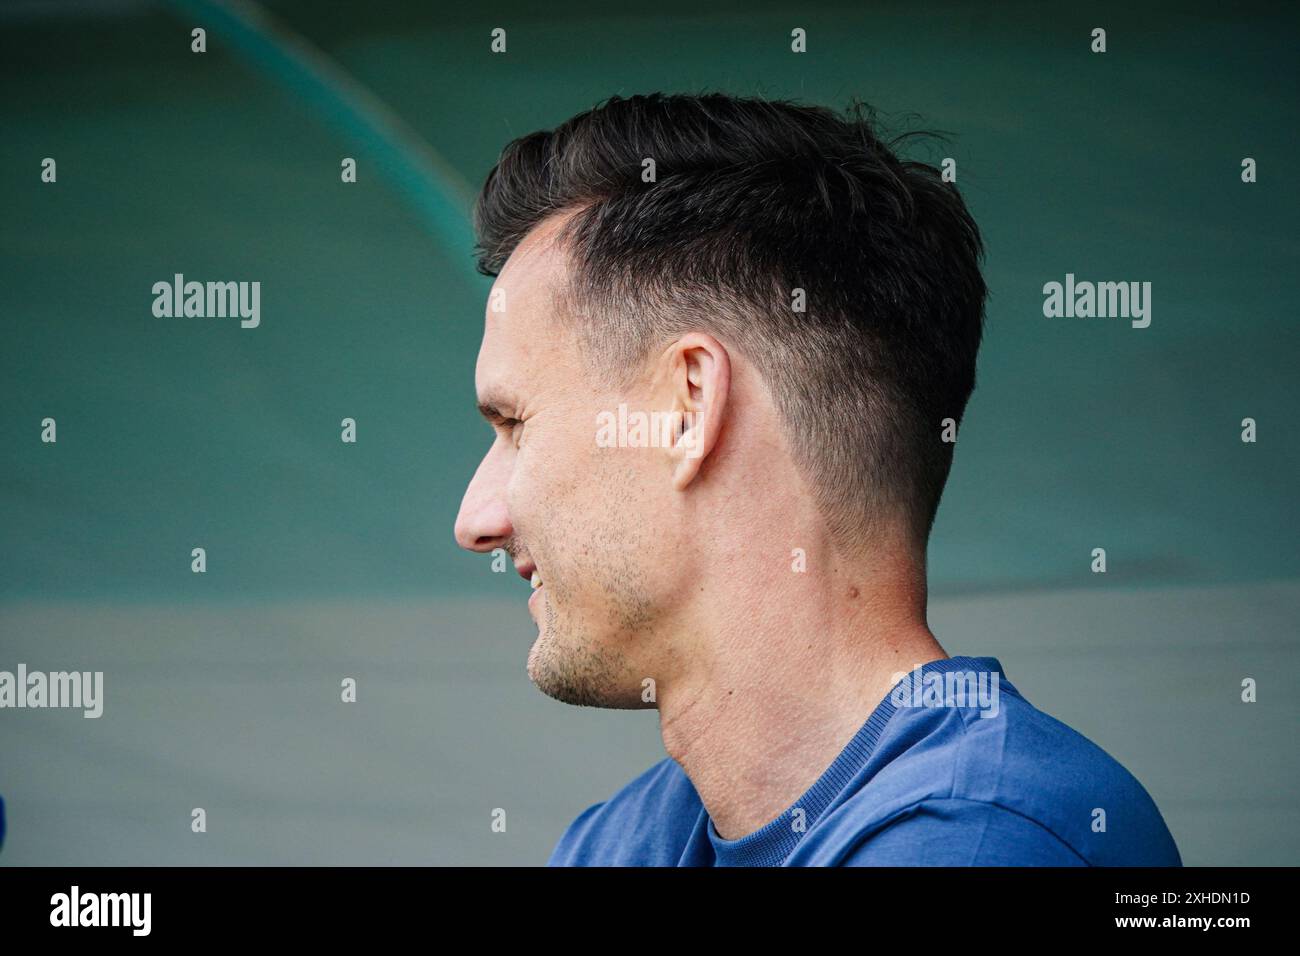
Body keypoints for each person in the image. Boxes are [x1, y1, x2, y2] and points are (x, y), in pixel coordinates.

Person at [453, 92, 1181, 866]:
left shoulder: (981, 840)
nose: (476, 520)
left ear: (688, 406)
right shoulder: (618, 844)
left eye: (515, 424)